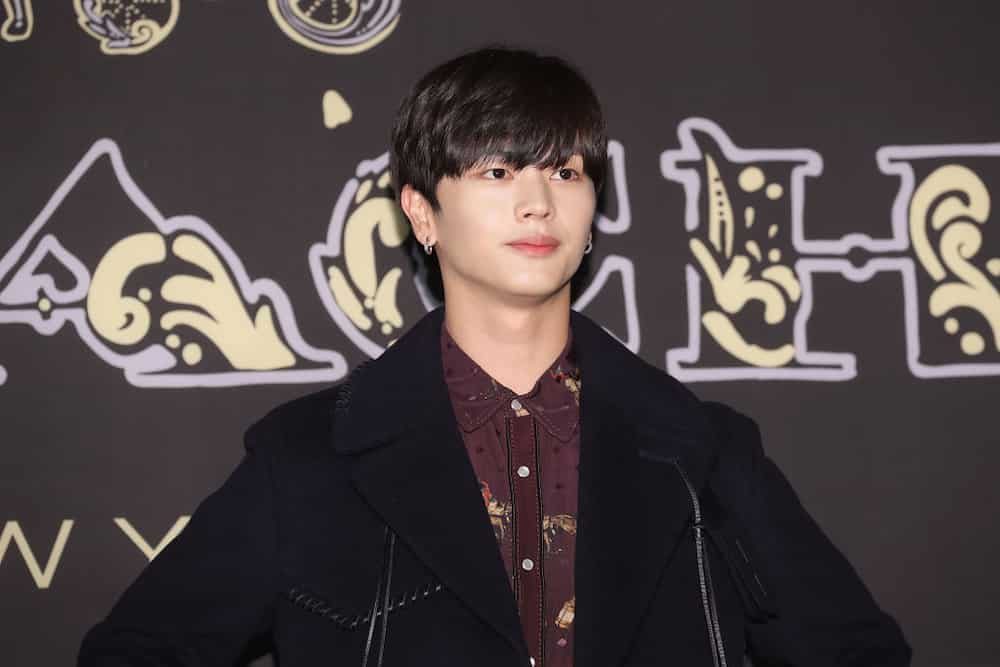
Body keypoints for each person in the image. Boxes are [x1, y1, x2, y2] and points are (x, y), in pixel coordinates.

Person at [79, 47, 911, 667]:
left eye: (566, 169)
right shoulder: (306, 459)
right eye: (498, 168)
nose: (538, 199)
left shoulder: (705, 453)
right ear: (422, 212)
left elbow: (858, 651)